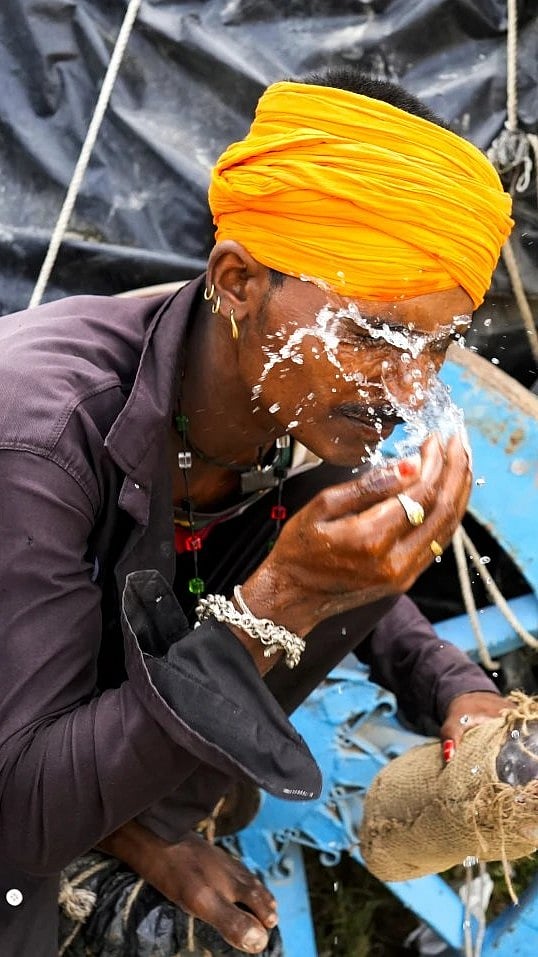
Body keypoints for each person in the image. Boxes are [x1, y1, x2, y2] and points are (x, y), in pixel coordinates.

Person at [0, 67, 515, 957]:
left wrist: (456, 685)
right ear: (237, 281)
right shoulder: (38, 437)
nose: (408, 388)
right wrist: (277, 603)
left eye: (438, 348)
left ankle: (129, 824)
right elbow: (16, 815)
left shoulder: (294, 405)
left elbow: (340, 569)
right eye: (377, 333)